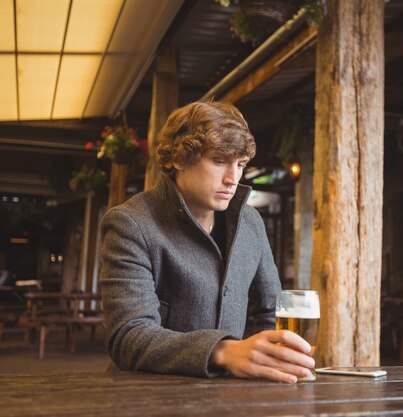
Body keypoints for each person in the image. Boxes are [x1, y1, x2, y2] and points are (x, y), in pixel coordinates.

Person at [99, 101, 314, 383]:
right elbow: (128, 336)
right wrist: (223, 351)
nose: (232, 178)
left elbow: (269, 313)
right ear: (178, 158)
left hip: (229, 398)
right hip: (147, 397)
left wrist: (271, 365)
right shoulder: (131, 224)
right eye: (219, 161)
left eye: (240, 164)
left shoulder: (251, 222)